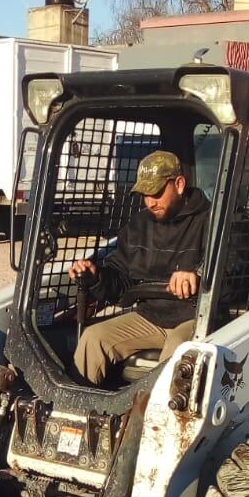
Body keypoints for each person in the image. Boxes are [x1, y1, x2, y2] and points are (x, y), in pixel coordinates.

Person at [68, 151, 209, 385]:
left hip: (196, 317)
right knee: (94, 338)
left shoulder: (213, 219)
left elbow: (234, 268)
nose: (150, 201)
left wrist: (198, 274)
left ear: (180, 184)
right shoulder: (139, 225)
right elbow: (121, 281)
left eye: (156, 193)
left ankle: (152, 419)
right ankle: (75, 414)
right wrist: (95, 277)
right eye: (145, 194)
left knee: (178, 350)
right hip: (152, 315)